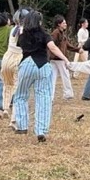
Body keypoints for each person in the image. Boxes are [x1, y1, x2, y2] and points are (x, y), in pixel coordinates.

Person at [13, 11, 70, 142]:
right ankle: (41, 130)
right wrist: (65, 59)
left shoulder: (22, 35)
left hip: (26, 64)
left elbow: (19, 47)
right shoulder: (44, 34)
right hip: (43, 65)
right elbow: (53, 48)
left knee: (21, 95)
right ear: (39, 22)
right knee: (43, 97)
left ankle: (22, 126)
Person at [1, 8, 31, 128]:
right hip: (18, 58)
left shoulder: (13, 28)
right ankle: (14, 120)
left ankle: (5, 107)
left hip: (7, 57)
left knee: (7, 85)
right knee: (18, 89)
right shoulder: (24, 31)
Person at [50, 15, 80, 101]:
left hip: (56, 59)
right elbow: (51, 45)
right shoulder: (56, 33)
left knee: (53, 78)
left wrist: (77, 49)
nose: (65, 24)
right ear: (59, 24)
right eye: (64, 23)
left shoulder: (62, 33)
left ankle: (52, 96)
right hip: (58, 59)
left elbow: (67, 45)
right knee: (64, 76)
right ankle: (68, 94)